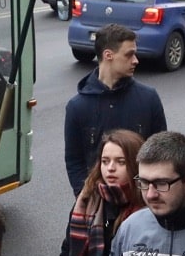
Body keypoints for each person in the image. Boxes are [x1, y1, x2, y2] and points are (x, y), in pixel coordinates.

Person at [53, 129, 145, 256]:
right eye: (105, 161)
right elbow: (68, 254)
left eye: (120, 162)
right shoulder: (87, 201)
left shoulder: (145, 209)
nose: (110, 168)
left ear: (135, 165)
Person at [63, 24, 167, 197]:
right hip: (97, 202)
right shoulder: (77, 107)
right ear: (108, 55)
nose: (136, 60)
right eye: (129, 54)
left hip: (139, 200)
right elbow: (74, 160)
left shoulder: (149, 99)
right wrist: (85, 196)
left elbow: (160, 153)